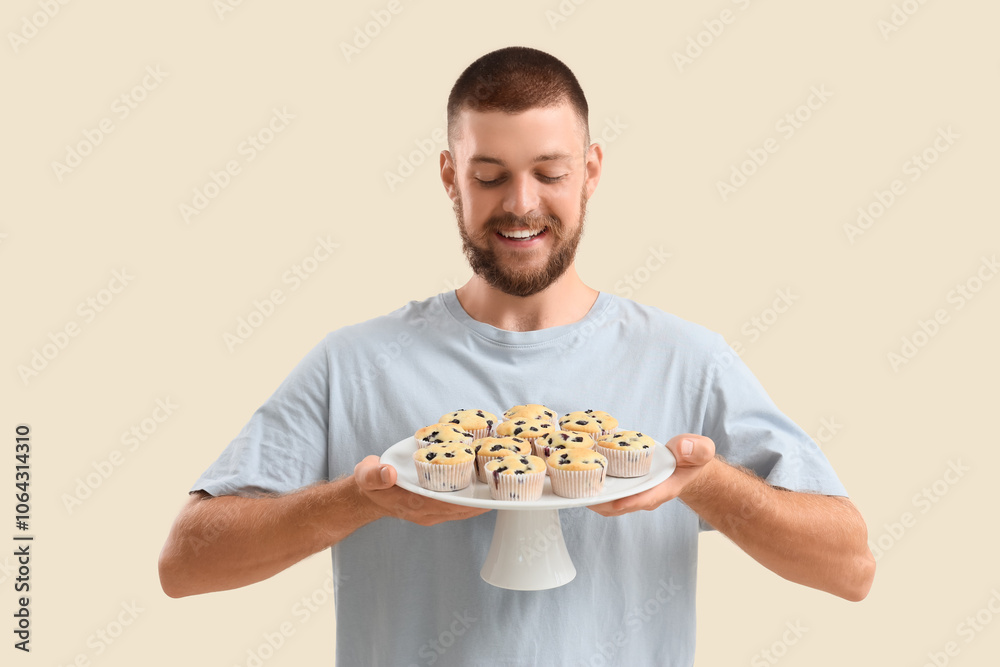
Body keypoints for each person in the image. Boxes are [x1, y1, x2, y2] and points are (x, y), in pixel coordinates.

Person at [158, 46, 875, 666]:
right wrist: (352, 501)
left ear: (592, 170)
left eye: (550, 172)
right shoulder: (353, 362)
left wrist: (707, 481)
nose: (521, 204)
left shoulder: (687, 360)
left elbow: (850, 566)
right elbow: (185, 561)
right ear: (449, 176)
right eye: (490, 175)